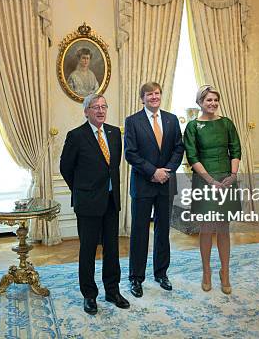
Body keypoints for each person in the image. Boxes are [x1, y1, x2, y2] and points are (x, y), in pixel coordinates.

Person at [60, 94, 130, 315]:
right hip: (88, 202)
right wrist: (82, 191)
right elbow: (66, 169)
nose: (100, 110)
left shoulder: (114, 133)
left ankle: (112, 290)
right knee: (88, 250)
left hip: (111, 201)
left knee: (112, 248)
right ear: (86, 111)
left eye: (103, 106)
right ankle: (89, 295)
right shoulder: (76, 136)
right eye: (95, 107)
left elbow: (113, 167)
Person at [124, 82, 184, 297]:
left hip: (166, 183)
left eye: (157, 93)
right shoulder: (132, 121)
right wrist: (153, 172)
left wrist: (166, 170)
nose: (154, 97)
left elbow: (179, 147)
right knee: (140, 233)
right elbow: (130, 153)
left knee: (163, 231)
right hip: (143, 184)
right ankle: (136, 278)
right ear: (143, 98)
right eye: (150, 94)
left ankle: (161, 273)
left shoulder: (171, 119)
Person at [183, 85, 241, 294]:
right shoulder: (192, 126)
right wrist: (209, 180)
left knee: (223, 228)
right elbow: (192, 157)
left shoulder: (226, 123)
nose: (213, 103)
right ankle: (206, 272)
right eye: (208, 100)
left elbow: (235, 149)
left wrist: (232, 175)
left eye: (215, 100)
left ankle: (225, 272)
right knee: (206, 228)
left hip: (226, 178)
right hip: (204, 180)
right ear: (200, 102)